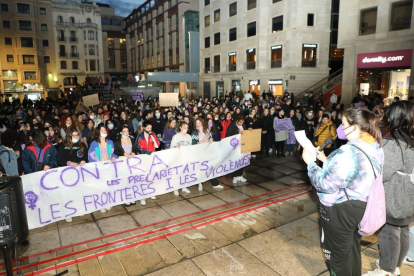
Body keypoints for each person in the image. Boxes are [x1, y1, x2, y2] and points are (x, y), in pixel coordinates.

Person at [302, 107, 384, 276]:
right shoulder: (375, 145)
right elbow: (354, 173)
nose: (341, 127)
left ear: (355, 127)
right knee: (351, 249)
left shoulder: (348, 152)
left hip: (342, 209)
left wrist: (310, 163)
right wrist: (325, 159)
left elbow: (324, 183)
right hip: (361, 205)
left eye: (344, 124)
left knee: (337, 256)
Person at [364, 102, 414, 276]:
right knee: (403, 229)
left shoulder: (393, 142)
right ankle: (396, 265)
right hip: (408, 194)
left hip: (394, 195)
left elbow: (382, 173)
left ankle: (386, 270)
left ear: (395, 117)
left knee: (389, 232)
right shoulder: (410, 138)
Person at [57, 127, 88, 222]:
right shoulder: (62, 145)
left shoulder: (82, 144)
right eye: (74, 135)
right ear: (69, 136)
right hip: (67, 172)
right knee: (68, 193)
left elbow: (86, 156)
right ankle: (68, 212)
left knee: (79, 191)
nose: (76, 137)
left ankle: (79, 208)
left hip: (79, 172)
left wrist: (84, 160)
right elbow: (59, 159)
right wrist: (69, 163)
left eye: (77, 135)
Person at [88, 124, 118, 213]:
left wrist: (114, 157)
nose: (104, 132)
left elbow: (113, 153)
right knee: (100, 187)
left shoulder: (110, 142)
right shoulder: (94, 144)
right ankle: (101, 203)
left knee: (108, 186)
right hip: (99, 168)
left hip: (108, 167)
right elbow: (90, 157)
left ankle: (108, 202)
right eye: (102, 130)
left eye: (105, 130)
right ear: (98, 132)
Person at [191, 118, 224, 190]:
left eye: (199, 123)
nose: (198, 125)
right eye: (196, 123)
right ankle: (199, 183)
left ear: (202, 123)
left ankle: (215, 184)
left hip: (208, 152)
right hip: (200, 153)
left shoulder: (206, 131)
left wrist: (211, 139)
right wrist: (201, 142)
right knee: (200, 169)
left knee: (210, 168)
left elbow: (210, 137)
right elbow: (193, 144)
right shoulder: (194, 133)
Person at [135, 120, 159, 205]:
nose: (149, 129)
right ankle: (142, 197)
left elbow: (157, 145)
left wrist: (153, 137)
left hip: (151, 159)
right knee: (143, 178)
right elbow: (137, 148)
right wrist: (147, 152)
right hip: (142, 159)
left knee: (151, 176)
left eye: (150, 128)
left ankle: (151, 192)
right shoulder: (139, 136)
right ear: (144, 128)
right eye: (148, 128)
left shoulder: (152, 135)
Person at [114, 125, 137, 206]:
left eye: (127, 131)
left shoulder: (132, 139)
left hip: (131, 162)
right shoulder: (117, 141)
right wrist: (123, 154)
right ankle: (125, 197)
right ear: (121, 132)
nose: (126, 133)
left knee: (131, 179)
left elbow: (135, 148)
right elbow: (115, 152)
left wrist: (133, 152)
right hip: (122, 162)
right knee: (124, 180)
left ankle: (131, 196)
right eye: (124, 131)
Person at [226, 115, 248, 184]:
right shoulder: (232, 125)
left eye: (242, 122)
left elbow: (246, 134)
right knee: (235, 162)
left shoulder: (244, 126)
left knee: (241, 161)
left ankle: (240, 175)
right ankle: (235, 176)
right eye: (240, 122)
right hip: (235, 147)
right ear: (237, 121)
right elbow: (228, 135)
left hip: (242, 146)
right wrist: (237, 134)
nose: (241, 123)